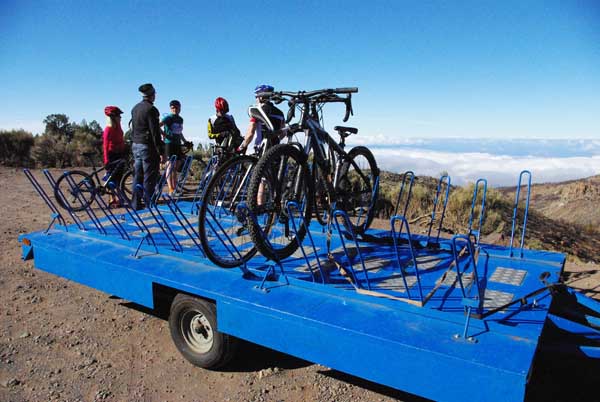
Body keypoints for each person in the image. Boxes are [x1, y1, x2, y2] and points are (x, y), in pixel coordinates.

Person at [130, 83, 164, 210]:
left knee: (137, 176)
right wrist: (160, 151)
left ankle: (135, 203)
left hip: (135, 144)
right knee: (149, 177)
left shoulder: (135, 108)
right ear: (152, 95)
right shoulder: (151, 110)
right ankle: (150, 205)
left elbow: (133, 128)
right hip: (147, 147)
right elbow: (155, 132)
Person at [237, 84, 285, 154]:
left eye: (256, 96)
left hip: (259, 151)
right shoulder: (280, 113)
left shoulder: (258, 111)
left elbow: (250, 133)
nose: (256, 99)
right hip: (274, 152)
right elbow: (283, 133)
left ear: (261, 97)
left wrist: (241, 147)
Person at [160, 100, 190, 195]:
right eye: (172, 108)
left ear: (180, 108)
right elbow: (157, 126)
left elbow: (179, 132)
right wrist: (165, 135)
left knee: (176, 166)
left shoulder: (180, 119)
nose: (174, 110)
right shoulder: (168, 118)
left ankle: (175, 187)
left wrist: (185, 141)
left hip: (177, 143)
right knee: (170, 166)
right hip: (169, 144)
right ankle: (170, 189)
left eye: (176, 107)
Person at [102, 106, 126, 208]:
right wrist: (106, 160)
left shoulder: (118, 127)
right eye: (118, 116)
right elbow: (105, 145)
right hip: (112, 155)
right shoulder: (108, 129)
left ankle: (119, 198)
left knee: (119, 178)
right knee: (111, 177)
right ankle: (112, 199)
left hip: (120, 154)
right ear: (113, 117)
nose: (120, 117)